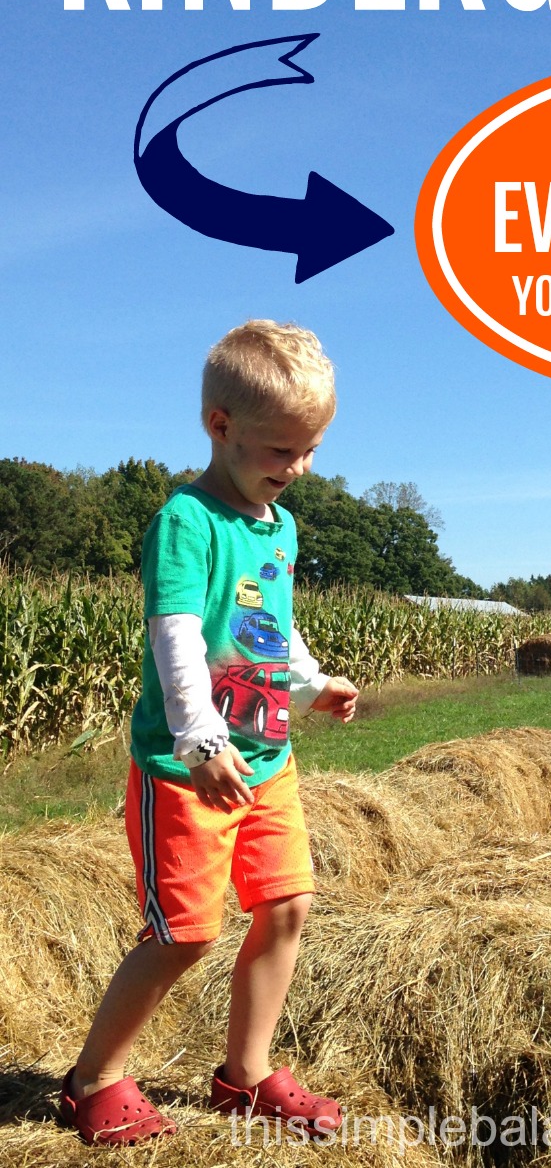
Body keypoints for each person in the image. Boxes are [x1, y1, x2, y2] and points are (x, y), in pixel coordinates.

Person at [60, 320, 359, 1145]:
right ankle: (93, 1080)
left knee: (289, 905)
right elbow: (179, 638)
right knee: (185, 934)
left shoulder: (279, 527)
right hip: (190, 769)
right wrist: (199, 742)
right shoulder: (187, 523)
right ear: (218, 427)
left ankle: (246, 1075)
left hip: (268, 762)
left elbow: (267, 629)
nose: (297, 470)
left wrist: (311, 682)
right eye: (280, 450)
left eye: (310, 451)